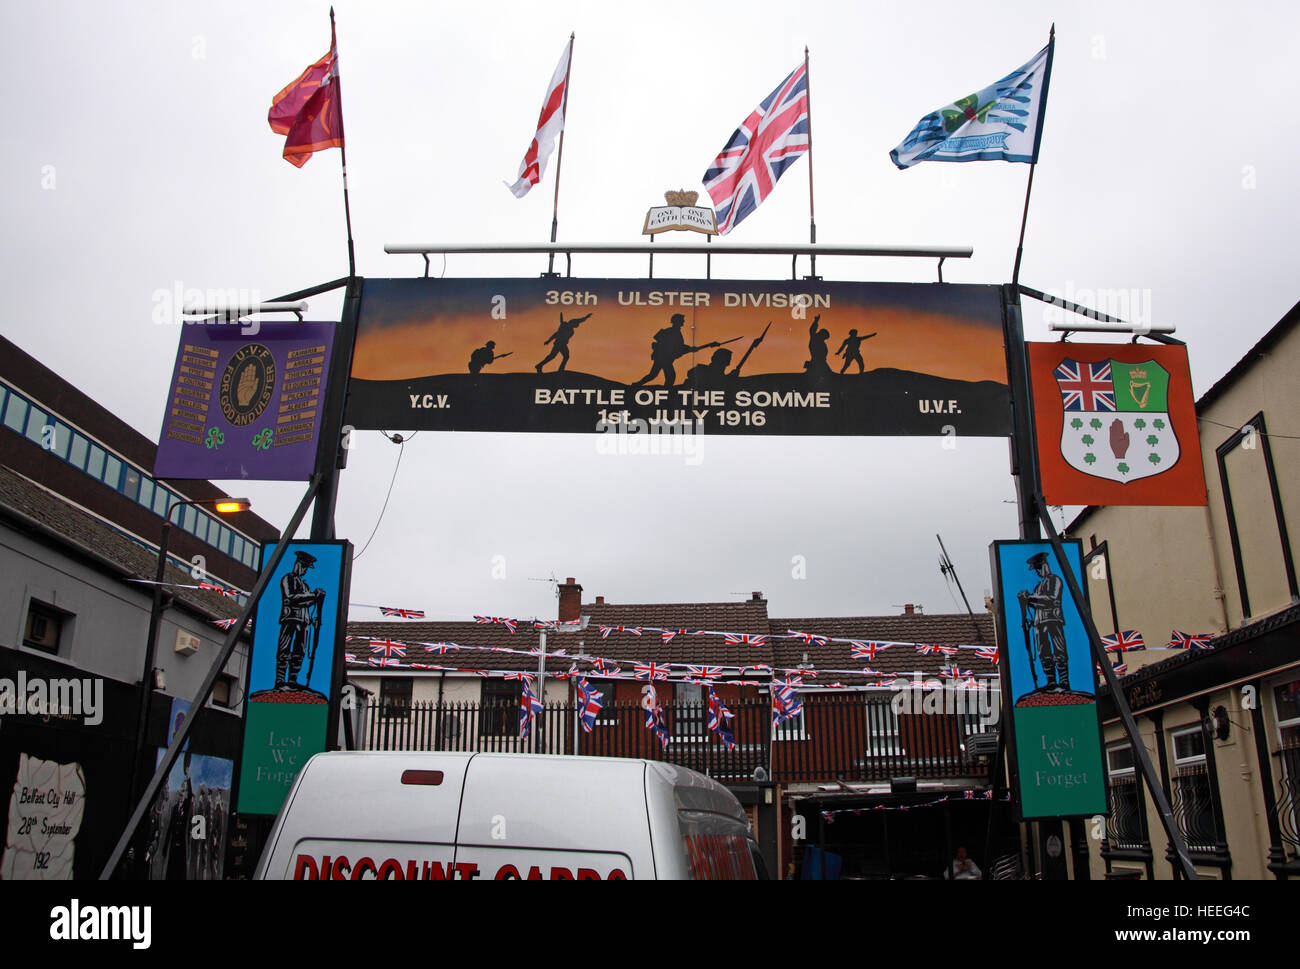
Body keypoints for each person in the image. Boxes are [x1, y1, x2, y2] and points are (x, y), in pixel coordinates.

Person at [1018, 552, 1069, 690]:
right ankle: (1051, 682)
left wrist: (1030, 598)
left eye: (1038, 569)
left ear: (1044, 566)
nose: (1038, 572)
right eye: (1036, 570)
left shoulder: (1055, 580)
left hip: (1053, 619)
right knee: (1043, 653)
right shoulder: (1038, 586)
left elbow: (1051, 599)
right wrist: (1026, 599)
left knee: (1059, 650)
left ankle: (1064, 681)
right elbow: (1034, 604)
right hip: (1039, 623)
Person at [276, 551, 325, 690]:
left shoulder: (305, 585)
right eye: (303, 566)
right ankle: (280, 679)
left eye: (306, 568)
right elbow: (291, 597)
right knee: (284, 648)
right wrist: (312, 595)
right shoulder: (288, 579)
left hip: (304, 621)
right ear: (297, 564)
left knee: (300, 651)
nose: (304, 570)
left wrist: (316, 597)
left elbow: (306, 603)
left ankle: (292, 679)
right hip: (290, 618)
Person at [632, 313, 704, 388]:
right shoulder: (672, 332)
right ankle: (666, 390)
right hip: (664, 358)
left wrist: (689, 349)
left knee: (653, 375)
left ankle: (637, 384)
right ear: (677, 321)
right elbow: (676, 346)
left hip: (662, 358)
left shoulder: (674, 332)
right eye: (682, 320)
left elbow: (678, 347)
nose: (683, 322)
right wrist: (689, 348)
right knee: (670, 376)